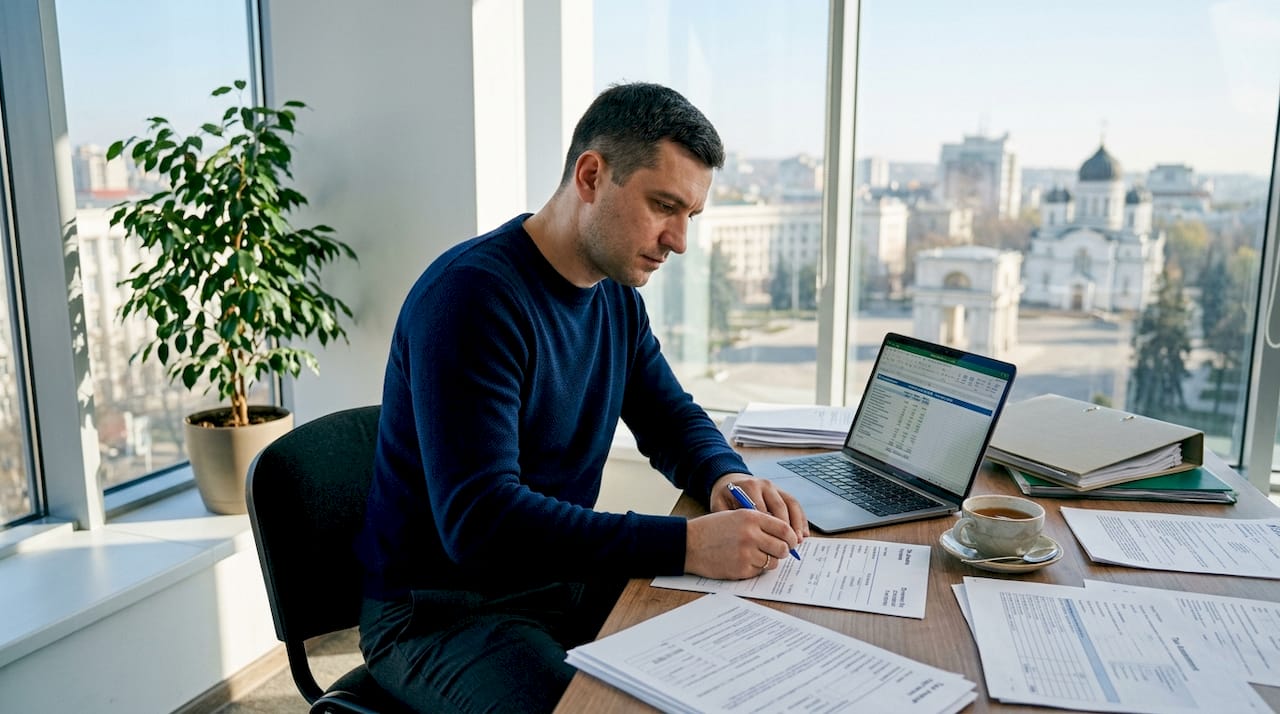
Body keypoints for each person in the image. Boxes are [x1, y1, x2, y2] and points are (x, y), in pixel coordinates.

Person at [356, 82, 808, 713]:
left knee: (743, 660)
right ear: (592, 175)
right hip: (442, 614)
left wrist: (724, 475)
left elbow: (670, 416)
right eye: (664, 206)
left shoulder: (615, 296)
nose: (678, 240)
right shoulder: (471, 300)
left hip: (554, 583)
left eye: (690, 216)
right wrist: (686, 544)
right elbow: (481, 523)